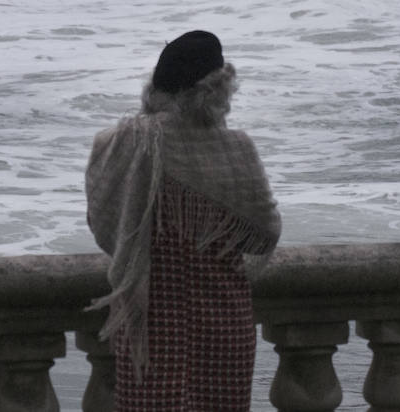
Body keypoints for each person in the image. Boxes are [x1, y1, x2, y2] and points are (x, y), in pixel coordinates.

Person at [85, 31, 281, 412]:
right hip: (225, 319)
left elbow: (106, 228)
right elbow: (262, 237)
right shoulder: (236, 149)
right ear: (218, 90)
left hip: (150, 317)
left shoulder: (123, 142)